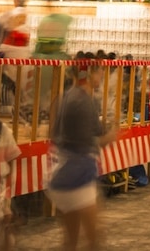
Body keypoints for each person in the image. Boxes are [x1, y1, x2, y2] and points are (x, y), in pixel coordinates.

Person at [46, 64, 117, 251]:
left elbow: (54, 132)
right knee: (93, 241)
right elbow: (88, 142)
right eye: (100, 71)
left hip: (59, 172)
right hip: (77, 176)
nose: (102, 75)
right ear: (89, 74)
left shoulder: (66, 96)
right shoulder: (83, 101)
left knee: (70, 242)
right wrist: (113, 135)